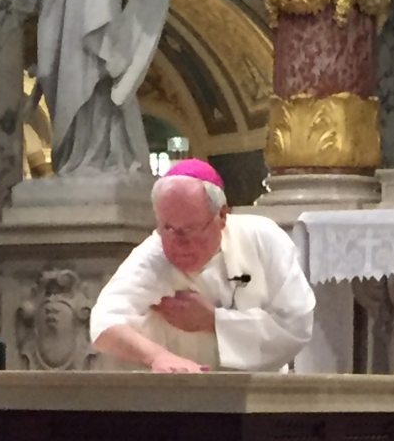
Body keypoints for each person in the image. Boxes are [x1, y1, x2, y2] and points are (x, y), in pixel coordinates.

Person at [88, 159, 315, 374]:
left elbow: (296, 326)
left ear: (222, 216)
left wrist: (214, 321)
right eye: (167, 228)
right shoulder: (154, 254)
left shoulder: (263, 239)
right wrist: (158, 357)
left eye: (190, 229)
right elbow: (104, 323)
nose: (178, 242)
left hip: (259, 392)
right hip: (180, 396)